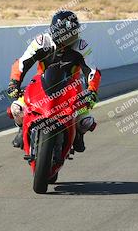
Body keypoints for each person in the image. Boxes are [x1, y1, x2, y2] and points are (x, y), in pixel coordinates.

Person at [7, 10, 101, 152]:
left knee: (86, 121)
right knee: (16, 109)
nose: (71, 37)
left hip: (73, 88)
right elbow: (22, 63)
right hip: (39, 85)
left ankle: (79, 134)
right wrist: (14, 83)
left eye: (73, 32)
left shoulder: (81, 46)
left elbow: (92, 70)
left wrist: (92, 91)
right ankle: (21, 128)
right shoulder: (41, 42)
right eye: (66, 34)